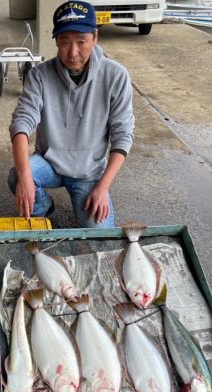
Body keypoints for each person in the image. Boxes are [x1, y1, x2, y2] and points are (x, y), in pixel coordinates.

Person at [8, 1, 134, 228]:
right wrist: (25, 178)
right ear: (56, 40)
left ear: (95, 37)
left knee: (98, 233)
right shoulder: (40, 75)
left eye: (81, 42)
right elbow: (22, 121)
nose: (72, 52)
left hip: (89, 171)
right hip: (49, 162)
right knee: (17, 176)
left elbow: (123, 134)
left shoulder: (116, 75)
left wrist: (103, 188)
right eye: (64, 42)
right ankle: (44, 209)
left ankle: (89, 199)